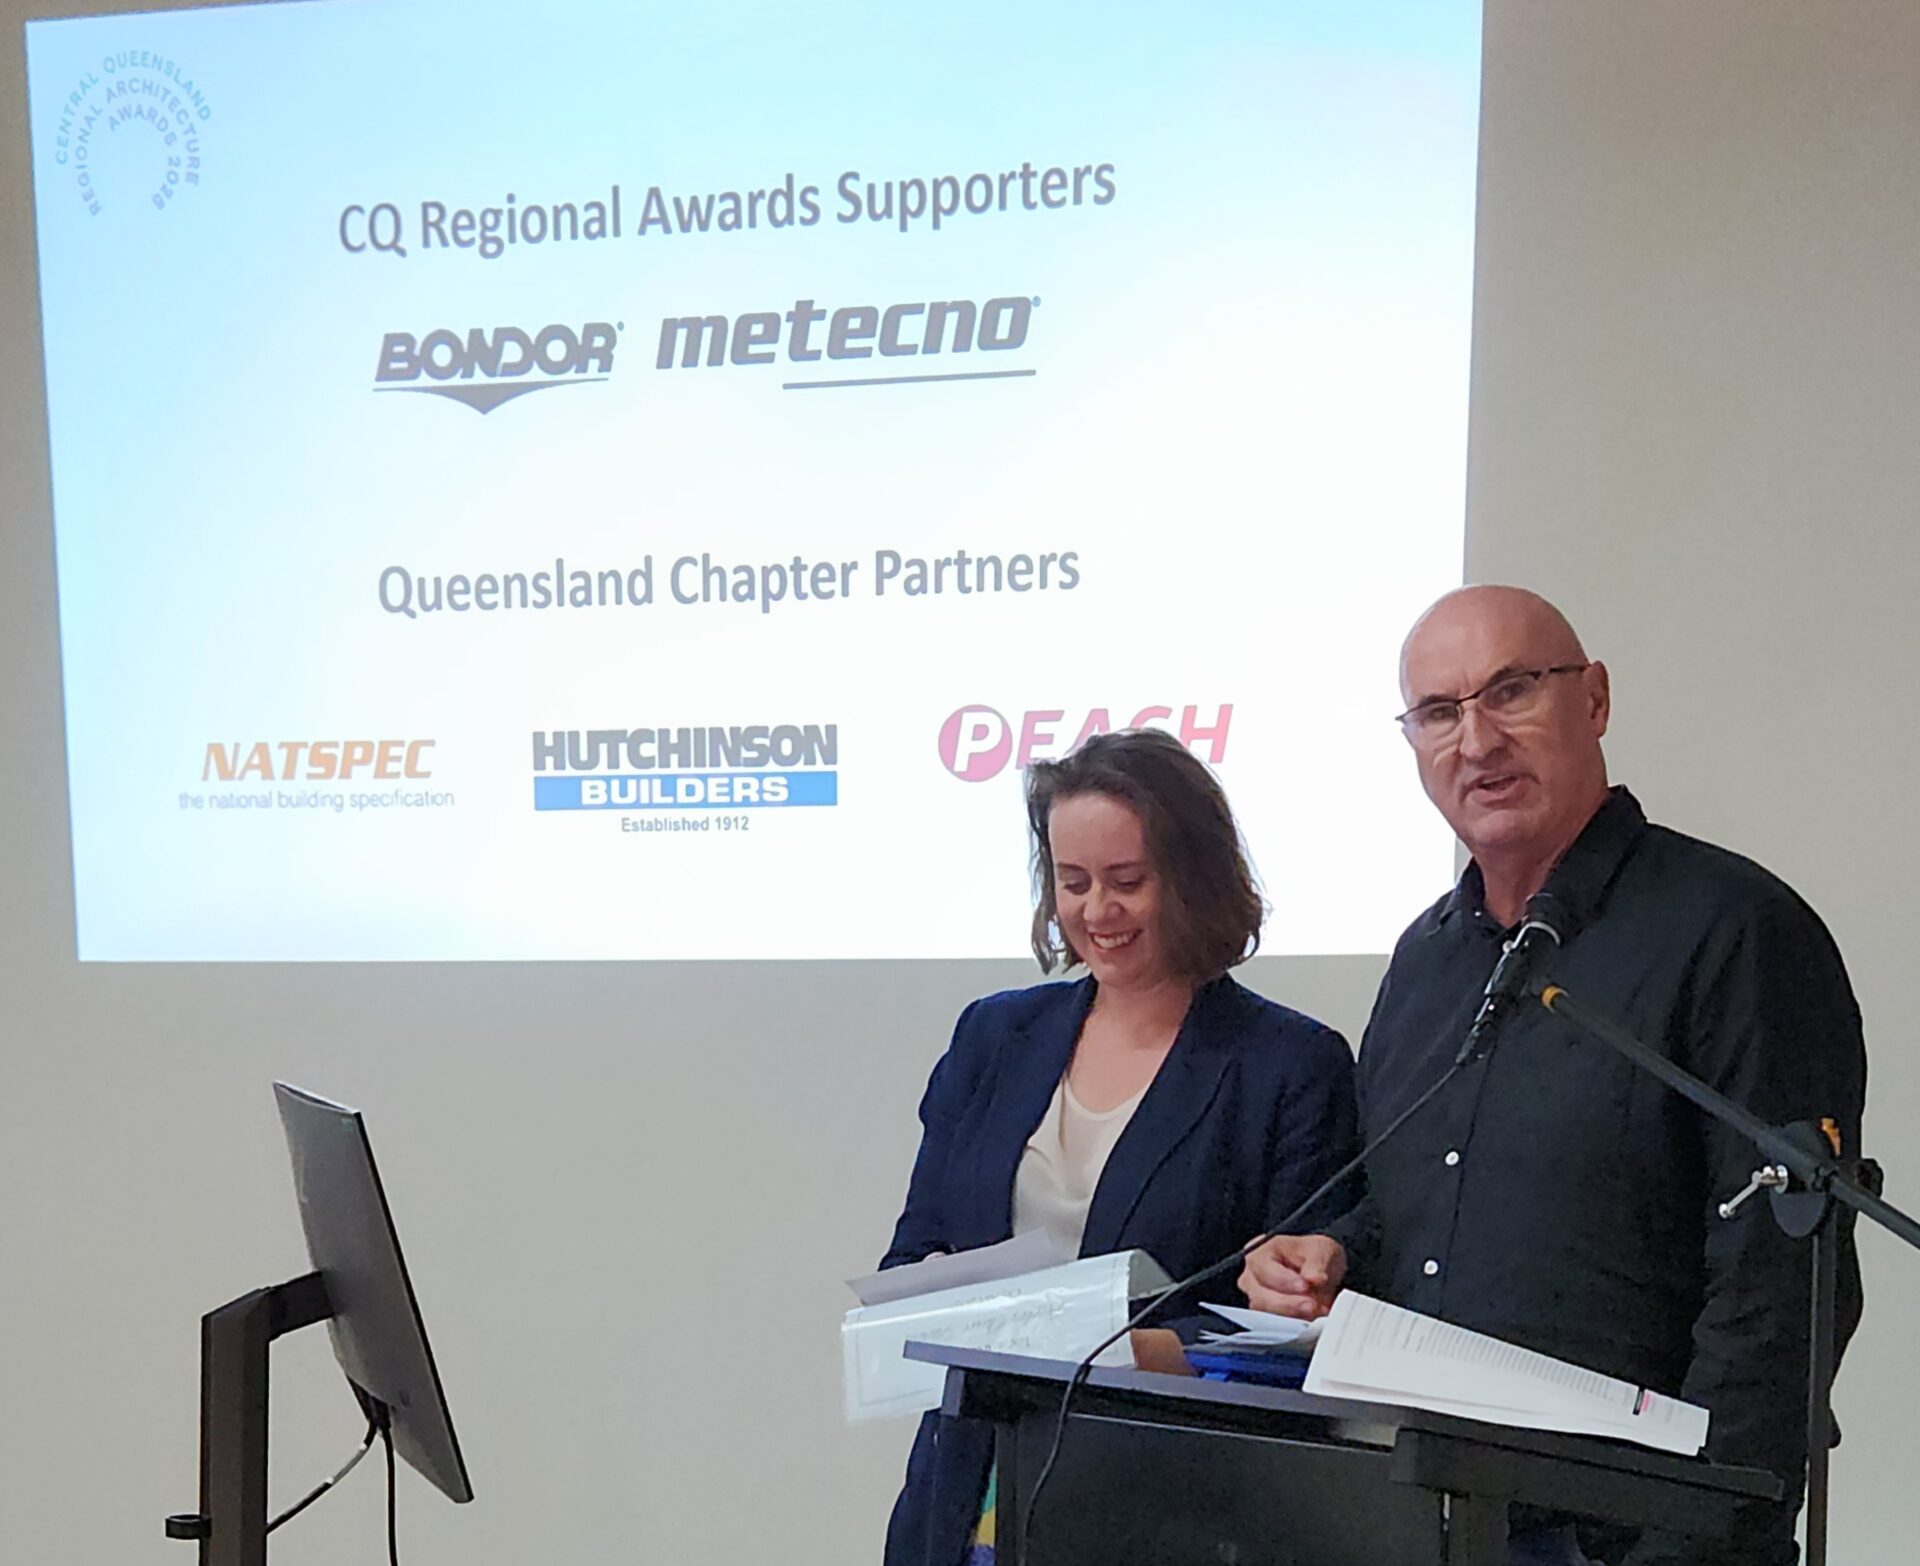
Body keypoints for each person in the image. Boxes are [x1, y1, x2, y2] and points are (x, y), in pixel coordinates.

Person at [1239, 585, 1866, 1566]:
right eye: (1438, 712)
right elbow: (1416, 1210)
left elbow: (1779, 1289)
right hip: (1422, 1518)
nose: (1476, 741)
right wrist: (1330, 1254)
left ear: (1596, 699)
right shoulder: (1426, 958)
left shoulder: (1734, 929)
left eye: (1512, 691)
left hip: (1629, 1539)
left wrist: (1686, 1545)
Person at [880, 727, 1360, 1566]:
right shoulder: (995, 1037)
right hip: (966, 1491)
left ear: (1194, 878)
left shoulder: (1289, 1065)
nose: (1097, 912)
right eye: (1073, 882)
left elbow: (1296, 1333)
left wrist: (1141, 1353)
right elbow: (914, 1254)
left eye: (1127, 882)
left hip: (1172, 1505)